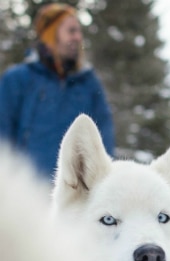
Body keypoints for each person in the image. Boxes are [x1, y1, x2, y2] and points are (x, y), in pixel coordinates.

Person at [0, 3, 114, 179]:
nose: (77, 37)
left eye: (79, 31)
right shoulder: (17, 79)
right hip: (27, 191)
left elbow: (105, 141)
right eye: (71, 30)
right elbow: (3, 140)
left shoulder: (89, 83)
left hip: (75, 194)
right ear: (50, 35)